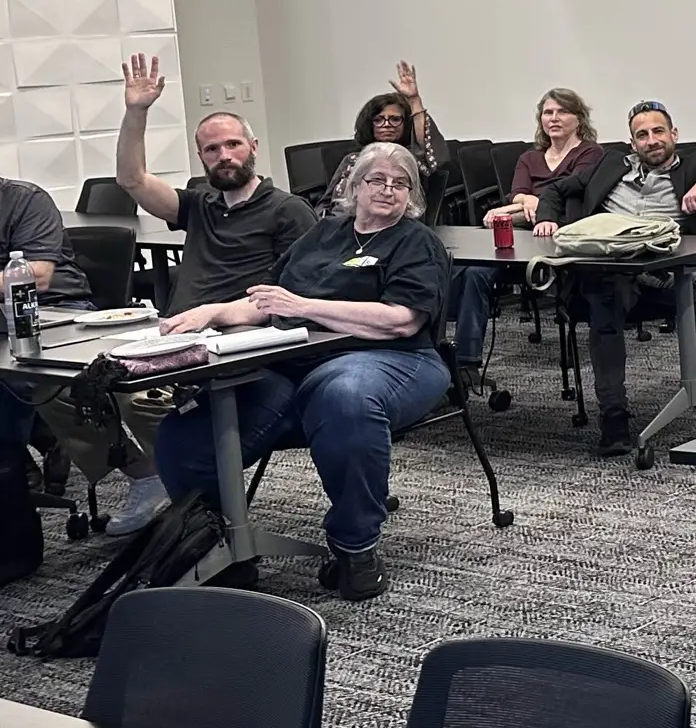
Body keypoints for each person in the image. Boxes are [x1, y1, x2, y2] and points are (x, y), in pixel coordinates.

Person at [153, 140, 453, 600]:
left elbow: (401, 319)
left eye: (401, 183)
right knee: (184, 432)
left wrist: (307, 305)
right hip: (294, 360)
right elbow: (269, 299)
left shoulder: (416, 241)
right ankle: (220, 544)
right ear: (355, 186)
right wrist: (210, 313)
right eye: (377, 179)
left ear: (411, 195)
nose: (388, 190)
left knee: (344, 397)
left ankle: (356, 548)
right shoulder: (323, 234)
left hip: (395, 359)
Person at [109, 54, 316, 535]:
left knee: (165, 420)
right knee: (101, 386)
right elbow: (131, 180)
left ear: (253, 148)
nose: (224, 156)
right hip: (178, 339)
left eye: (233, 145)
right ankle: (175, 494)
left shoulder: (288, 210)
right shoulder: (199, 203)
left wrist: (217, 315)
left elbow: (292, 299)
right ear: (201, 159)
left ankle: (207, 526)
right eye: (211, 150)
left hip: (238, 347)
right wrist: (136, 112)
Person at [531, 101, 696, 456]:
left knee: (692, 278)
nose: (651, 140)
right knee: (605, 304)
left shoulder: (695, 165)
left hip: (663, 271)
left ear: (673, 135)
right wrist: (546, 219)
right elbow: (557, 190)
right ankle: (614, 416)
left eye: (658, 132)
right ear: (632, 143)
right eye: (642, 135)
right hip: (609, 272)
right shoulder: (609, 165)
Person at [451, 87, 599, 388]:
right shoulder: (529, 157)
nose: (554, 118)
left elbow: (572, 192)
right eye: (548, 112)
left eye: (562, 112)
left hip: (563, 232)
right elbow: (519, 193)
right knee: (473, 271)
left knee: (501, 218)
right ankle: (465, 363)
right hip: (522, 233)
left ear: (579, 119)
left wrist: (534, 202)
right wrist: (529, 203)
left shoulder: (590, 153)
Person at [0, 177, 94, 575]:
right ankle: (37, 438)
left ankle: (13, 552)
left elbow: (35, 277)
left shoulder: (24, 200)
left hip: (54, 314)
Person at [320, 63, 448, 218]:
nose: (386, 125)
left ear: (406, 123)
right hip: (342, 228)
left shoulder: (410, 160)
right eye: (379, 119)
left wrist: (414, 100)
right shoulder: (353, 160)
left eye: (395, 119)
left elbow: (427, 152)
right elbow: (326, 203)